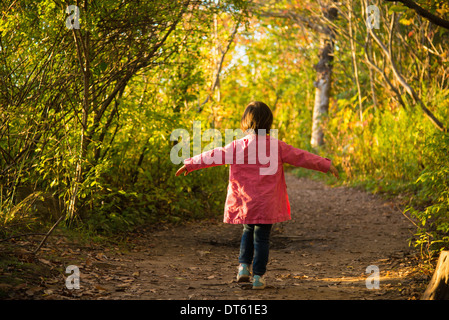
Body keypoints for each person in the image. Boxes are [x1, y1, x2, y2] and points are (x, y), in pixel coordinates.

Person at [175, 101, 339, 289]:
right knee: (262, 238)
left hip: (245, 202)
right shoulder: (277, 146)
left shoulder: (236, 146)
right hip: (267, 204)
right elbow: (302, 156)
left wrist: (190, 164)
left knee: (247, 231)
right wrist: (326, 165)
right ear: (268, 122)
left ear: (245, 122)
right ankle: (258, 277)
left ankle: (243, 267)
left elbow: (214, 154)